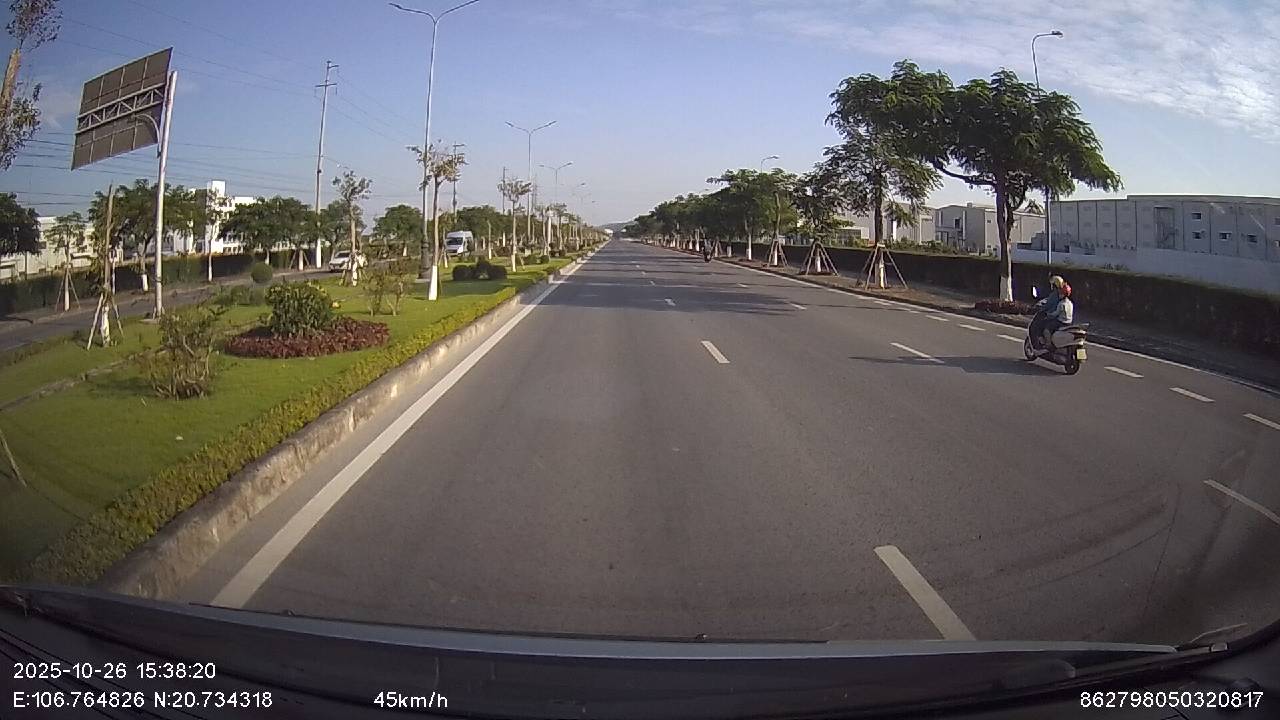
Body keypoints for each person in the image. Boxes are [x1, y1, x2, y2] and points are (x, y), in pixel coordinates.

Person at [1029, 275, 1071, 349]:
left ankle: (1045, 344)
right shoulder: (1067, 301)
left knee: (1038, 326)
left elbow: (1049, 306)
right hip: (1063, 319)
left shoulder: (1056, 296)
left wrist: (1040, 309)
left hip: (1052, 316)